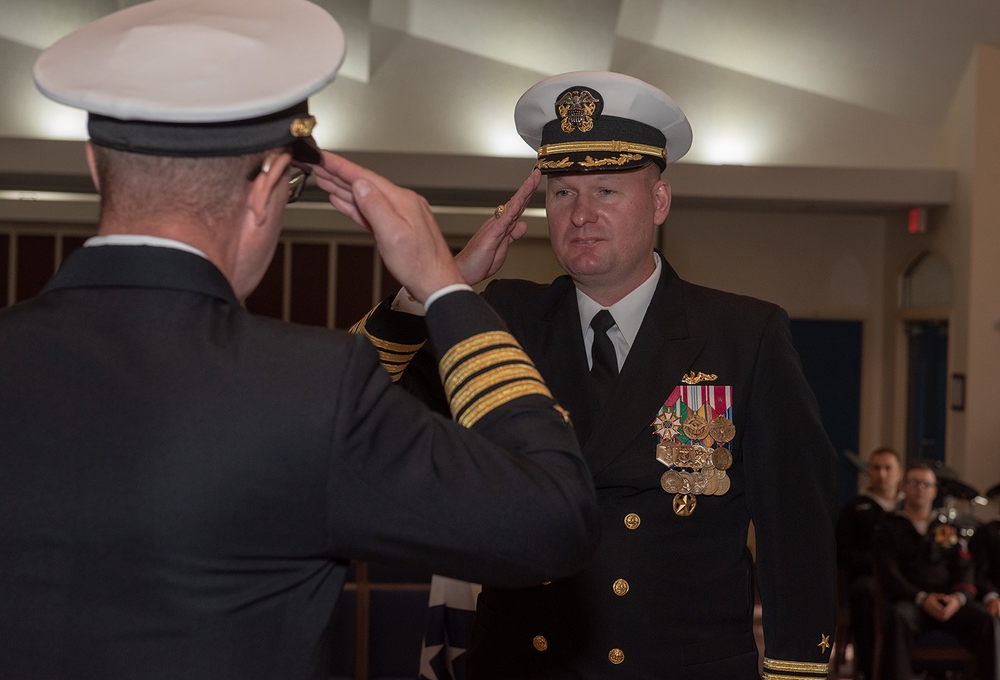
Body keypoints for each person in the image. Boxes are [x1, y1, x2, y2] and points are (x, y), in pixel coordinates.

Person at [0, 0, 601, 679]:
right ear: (265, 188)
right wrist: (445, 288)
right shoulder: (310, 390)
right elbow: (553, 517)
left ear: (94, 165)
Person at [343, 71, 838, 678]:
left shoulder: (744, 334)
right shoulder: (504, 319)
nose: (581, 215)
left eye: (606, 191)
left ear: (658, 202)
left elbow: (797, 530)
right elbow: (356, 411)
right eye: (562, 194)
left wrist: (794, 668)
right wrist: (439, 285)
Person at [874, 463, 999, 679]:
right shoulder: (889, 528)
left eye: (926, 484)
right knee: (898, 618)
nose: (919, 488)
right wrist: (921, 598)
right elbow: (889, 573)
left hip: (949, 604)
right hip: (912, 602)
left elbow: (965, 568)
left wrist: (958, 599)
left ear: (934, 491)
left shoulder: (948, 528)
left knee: (987, 621)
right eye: (913, 482)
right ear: (903, 487)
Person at [835, 446, 903, 679]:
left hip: (907, 580)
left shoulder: (910, 508)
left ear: (899, 473)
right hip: (867, 579)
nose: (882, 474)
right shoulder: (854, 509)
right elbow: (841, 553)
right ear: (869, 472)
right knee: (865, 592)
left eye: (888, 468)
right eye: (876, 468)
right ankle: (869, 668)